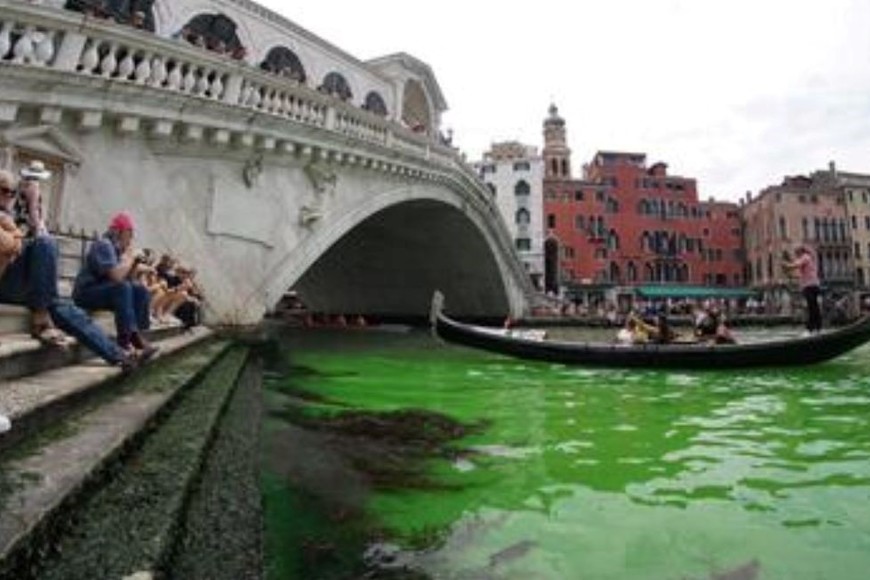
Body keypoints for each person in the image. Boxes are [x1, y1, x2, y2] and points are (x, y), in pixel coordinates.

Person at [73, 211, 158, 361]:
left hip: (104, 291)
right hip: (86, 293)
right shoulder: (103, 244)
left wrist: (135, 264)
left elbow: (129, 279)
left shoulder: (116, 249)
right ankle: (126, 343)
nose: (131, 238)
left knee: (139, 290)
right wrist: (131, 257)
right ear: (119, 231)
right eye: (129, 233)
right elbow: (117, 277)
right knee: (122, 287)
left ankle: (137, 335)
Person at [0, 169, 66, 347]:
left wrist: (34, 208)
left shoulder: (9, 215)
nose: (8, 196)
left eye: (12, 192)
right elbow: (10, 244)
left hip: (14, 280)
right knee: (43, 242)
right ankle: (42, 316)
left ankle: (43, 310)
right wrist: (16, 236)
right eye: (3, 190)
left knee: (46, 243)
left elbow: (34, 239)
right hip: (3, 284)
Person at [783, 245, 822, 335]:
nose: (795, 255)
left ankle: (810, 329)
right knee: (814, 307)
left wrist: (785, 265)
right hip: (814, 285)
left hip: (809, 286)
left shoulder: (805, 257)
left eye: (796, 253)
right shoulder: (808, 257)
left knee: (811, 307)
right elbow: (796, 263)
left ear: (799, 252)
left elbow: (795, 265)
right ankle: (817, 328)